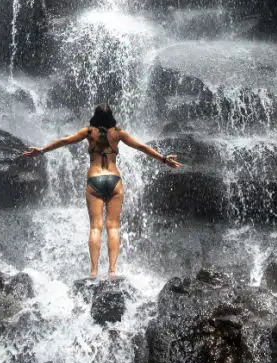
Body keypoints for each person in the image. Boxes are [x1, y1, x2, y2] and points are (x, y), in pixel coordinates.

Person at [22, 103, 180, 278]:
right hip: (114, 180)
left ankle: (94, 272)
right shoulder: (118, 133)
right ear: (111, 117)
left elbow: (65, 141)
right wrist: (164, 159)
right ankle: (112, 271)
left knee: (95, 228)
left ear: (95, 117)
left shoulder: (88, 132)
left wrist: (42, 150)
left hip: (94, 180)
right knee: (113, 227)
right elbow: (141, 147)